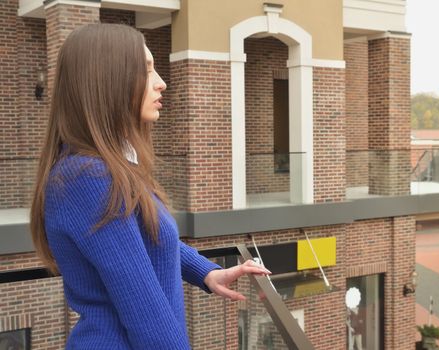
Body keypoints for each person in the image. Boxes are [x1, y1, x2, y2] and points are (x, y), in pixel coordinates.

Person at [29, 23, 270, 350]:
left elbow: (141, 238)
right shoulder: (87, 177)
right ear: (108, 82)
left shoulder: (104, 166)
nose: (162, 83)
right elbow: (146, 312)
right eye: (147, 71)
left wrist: (205, 272)